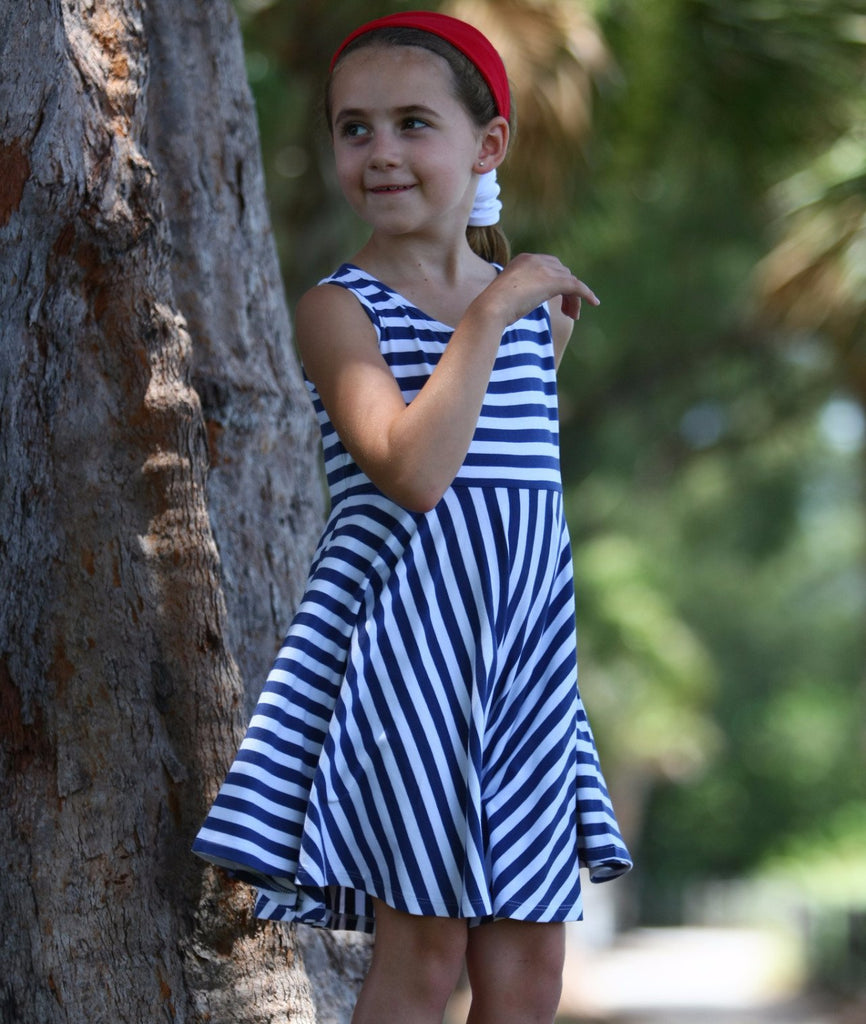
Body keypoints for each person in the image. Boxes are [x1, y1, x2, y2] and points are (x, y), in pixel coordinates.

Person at [194, 11, 631, 1023]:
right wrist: (491, 310)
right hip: (411, 658)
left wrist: (508, 308)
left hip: (521, 663)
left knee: (529, 968)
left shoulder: (531, 314)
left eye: (411, 123)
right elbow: (413, 472)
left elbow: (512, 501)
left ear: (487, 145)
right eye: (354, 128)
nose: (379, 151)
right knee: (426, 956)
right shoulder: (340, 308)